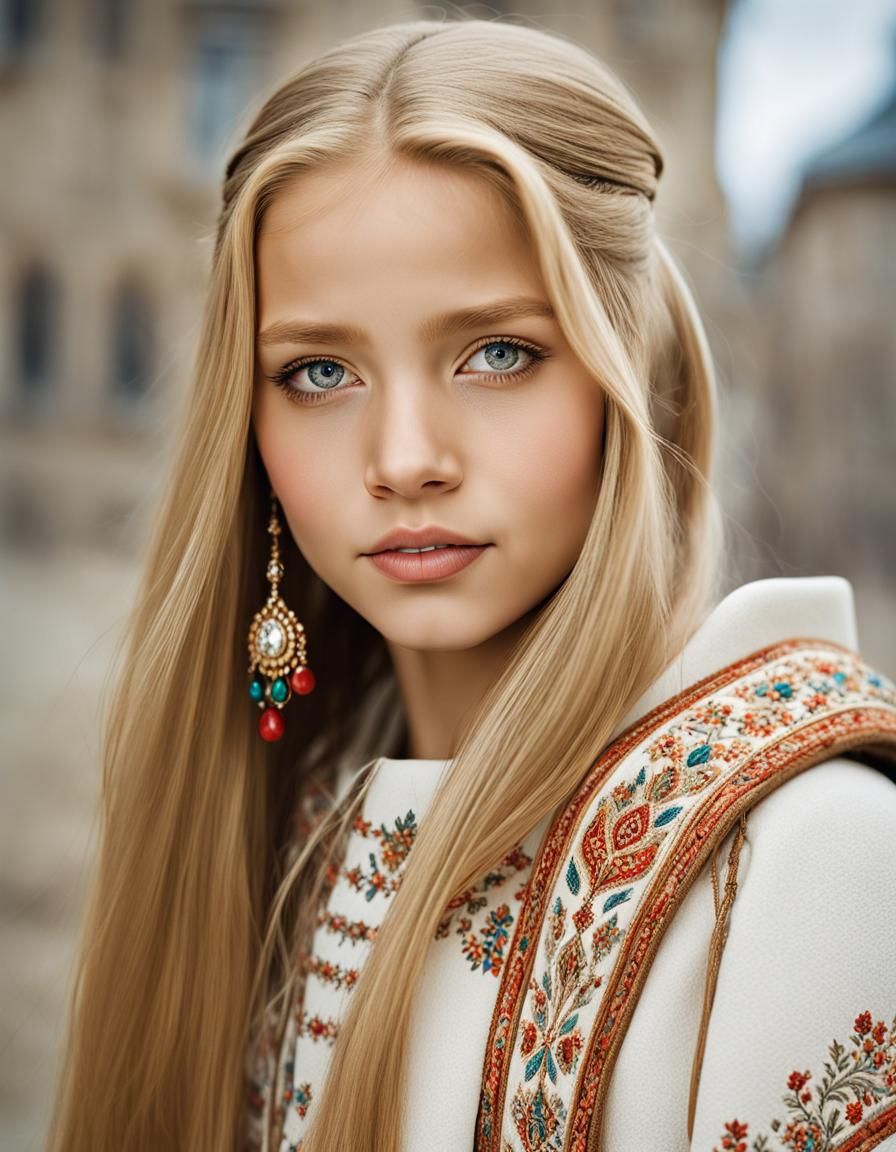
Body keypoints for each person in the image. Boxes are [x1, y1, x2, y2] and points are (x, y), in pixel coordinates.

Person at [46, 16, 896, 1152]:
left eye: (496, 353)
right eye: (317, 371)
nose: (403, 457)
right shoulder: (270, 830)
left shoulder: (811, 855)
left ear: (625, 369)